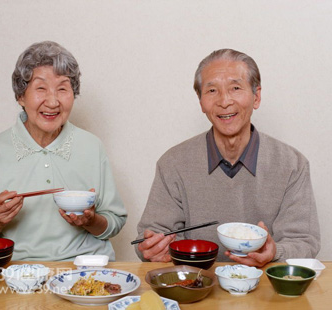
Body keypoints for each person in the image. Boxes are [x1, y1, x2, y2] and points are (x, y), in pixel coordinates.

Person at [135, 49, 320, 267]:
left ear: (256, 96)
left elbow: (304, 242)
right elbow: (152, 237)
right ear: (201, 101)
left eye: (235, 88)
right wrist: (153, 248)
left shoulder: (292, 164)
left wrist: (275, 251)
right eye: (212, 90)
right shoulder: (173, 163)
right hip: (195, 284)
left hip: (265, 290)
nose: (224, 101)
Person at [0, 41, 127, 261]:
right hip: (19, 273)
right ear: (21, 96)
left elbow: (115, 222)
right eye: (40, 88)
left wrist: (90, 221)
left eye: (63, 88)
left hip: (84, 268)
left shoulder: (92, 147)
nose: (53, 101)